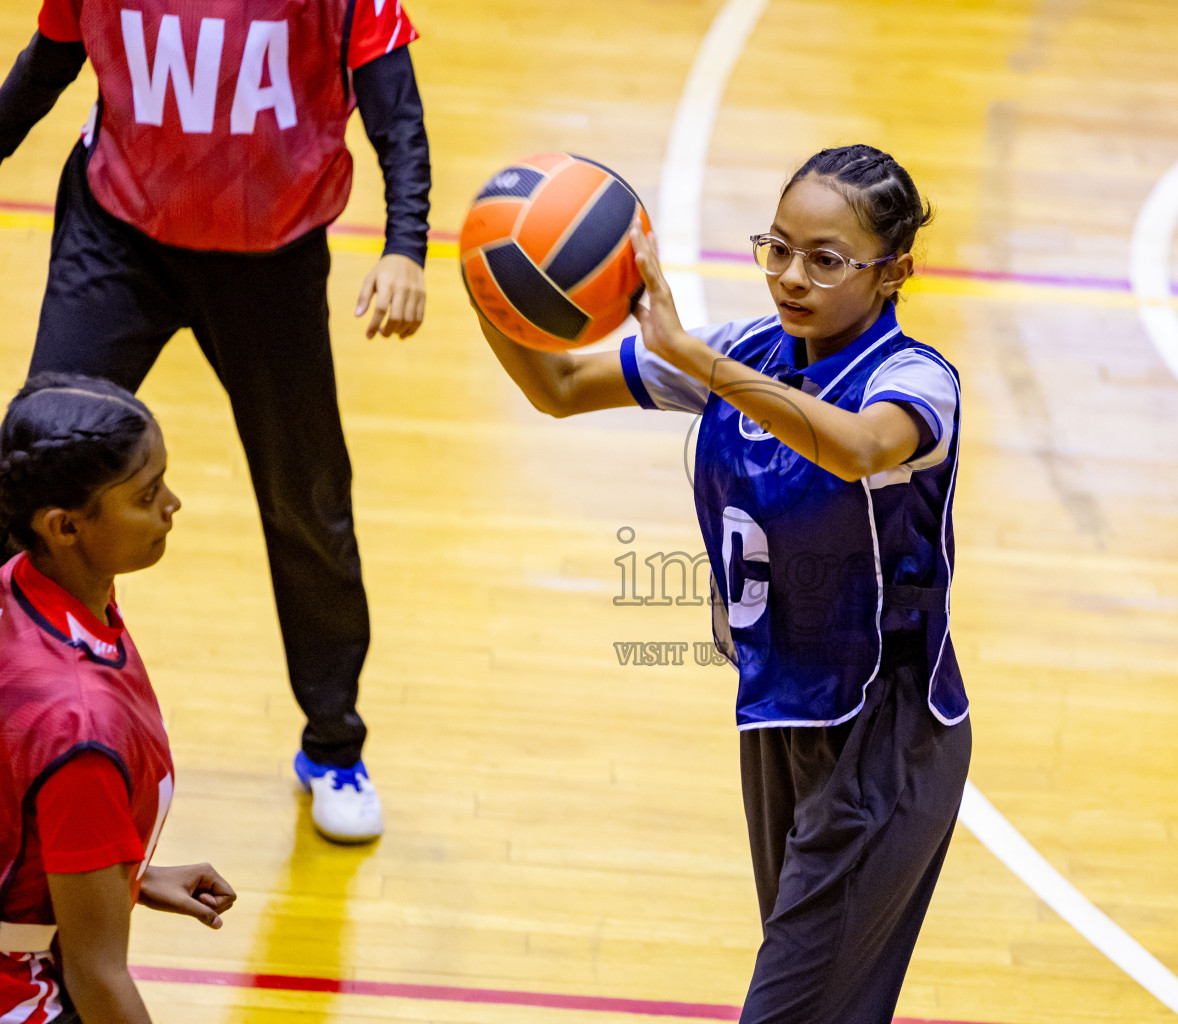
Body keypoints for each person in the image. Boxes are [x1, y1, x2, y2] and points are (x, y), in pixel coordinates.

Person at [478, 145, 970, 1023]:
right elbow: (556, 386)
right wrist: (494, 276)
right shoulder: (744, 350)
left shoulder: (912, 379)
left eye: (826, 259)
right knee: (826, 1005)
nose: (791, 276)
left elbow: (858, 449)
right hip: (778, 717)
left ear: (892, 273)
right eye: (777, 248)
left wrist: (699, 366)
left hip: (881, 735)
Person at [0, 0, 435, 841]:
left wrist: (405, 246)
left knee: (306, 501)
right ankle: (16, 708)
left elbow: (397, 115)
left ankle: (334, 744)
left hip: (271, 260)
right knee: (32, 470)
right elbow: (44, 68)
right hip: (119, 235)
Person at [0, 374, 237, 1024]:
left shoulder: (27, 585)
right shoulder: (78, 724)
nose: (173, 504)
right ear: (65, 526)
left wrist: (114, 880)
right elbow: (98, 977)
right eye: (146, 494)